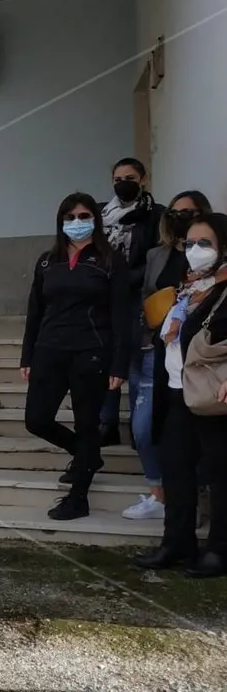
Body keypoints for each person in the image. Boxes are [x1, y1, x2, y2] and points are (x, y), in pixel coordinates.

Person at [20, 193, 132, 521]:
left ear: (95, 220)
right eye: (69, 217)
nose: (77, 223)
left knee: (86, 424)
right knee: (36, 420)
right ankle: (87, 456)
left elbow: (122, 316)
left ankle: (78, 497)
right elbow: (35, 312)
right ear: (60, 222)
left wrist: (119, 363)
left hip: (91, 352)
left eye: (84, 216)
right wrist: (27, 355)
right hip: (49, 351)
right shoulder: (46, 261)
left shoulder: (110, 260)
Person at [135, 209, 227, 578]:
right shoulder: (189, 284)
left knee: (220, 476)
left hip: (211, 396)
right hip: (175, 391)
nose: (195, 250)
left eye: (205, 243)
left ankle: (219, 550)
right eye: (190, 243)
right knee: (176, 471)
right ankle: (176, 543)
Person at [123, 191, 208, 520]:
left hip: (197, 356)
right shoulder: (157, 255)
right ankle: (158, 493)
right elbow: (146, 296)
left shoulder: (212, 257)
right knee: (144, 428)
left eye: (189, 212)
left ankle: (193, 495)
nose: (181, 218)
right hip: (154, 350)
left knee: (192, 432)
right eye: (175, 213)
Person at [98, 157, 164, 447]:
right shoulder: (100, 214)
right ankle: (106, 423)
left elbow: (154, 257)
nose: (122, 184)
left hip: (137, 295)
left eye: (129, 178)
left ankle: (140, 429)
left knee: (136, 359)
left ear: (143, 179)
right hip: (104, 296)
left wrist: (125, 278)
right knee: (105, 357)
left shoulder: (155, 215)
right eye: (117, 179)